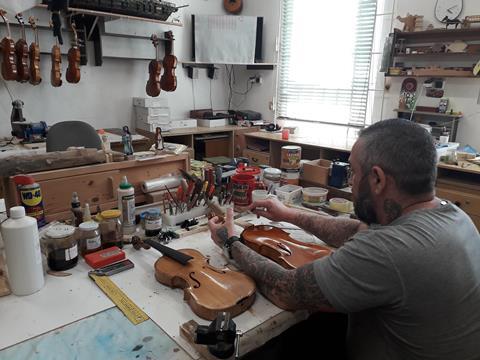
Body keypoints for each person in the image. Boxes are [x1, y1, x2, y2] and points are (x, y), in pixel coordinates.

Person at [208, 118, 480, 360]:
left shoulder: (389, 251)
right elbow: (355, 230)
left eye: (353, 172)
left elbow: (286, 290)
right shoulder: (454, 216)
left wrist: (230, 242)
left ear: (377, 179)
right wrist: (289, 215)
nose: (350, 182)